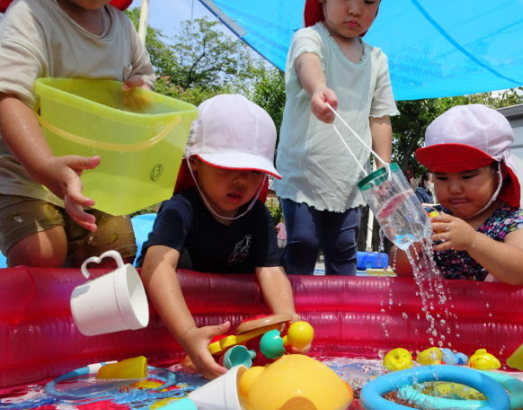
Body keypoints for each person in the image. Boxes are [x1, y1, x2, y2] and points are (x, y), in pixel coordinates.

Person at [137, 94, 299, 379]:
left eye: (253, 171)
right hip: (175, 325)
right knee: (178, 259)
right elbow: (155, 267)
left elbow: (272, 271)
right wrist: (188, 334)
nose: (242, 180)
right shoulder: (180, 208)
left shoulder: (258, 216)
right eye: (228, 167)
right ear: (195, 162)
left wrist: (288, 319)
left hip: (228, 326)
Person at [0, 0, 154, 268]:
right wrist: (43, 166)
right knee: (41, 253)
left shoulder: (122, 27)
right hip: (27, 174)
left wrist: (141, 89)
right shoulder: (31, 13)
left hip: (96, 178)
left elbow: (145, 74)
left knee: (115, 256)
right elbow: (9, 95)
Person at [273, 0, 399, 276]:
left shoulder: (377, 59)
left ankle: (342, 316)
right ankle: (289, 312)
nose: (355, 10)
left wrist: (384, 166)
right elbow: (308, 61)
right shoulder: (309, 36)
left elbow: (379, 116)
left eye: (367, 2)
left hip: (349, 178)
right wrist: (318, 88)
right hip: (303, 174)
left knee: (343, 248)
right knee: (303, 242)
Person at [391, 105, 523, 285]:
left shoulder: (512, 221)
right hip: (444, 313)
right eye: (441, 177)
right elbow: (398, 267)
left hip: (499, 313)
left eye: (467, 176)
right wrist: (415, 240)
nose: (454, 188)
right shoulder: (433, 219)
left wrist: (473, 241)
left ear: (499, 174)